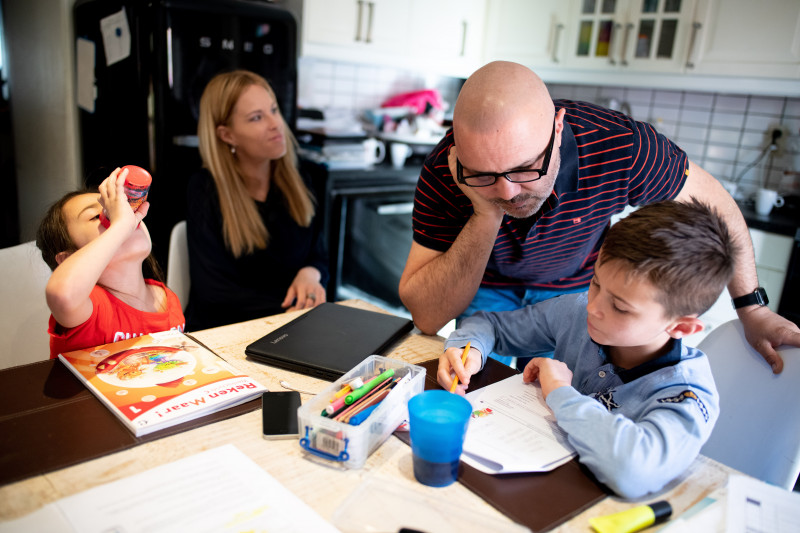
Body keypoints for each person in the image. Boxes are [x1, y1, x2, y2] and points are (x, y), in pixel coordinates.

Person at [399, 60, 800, 373]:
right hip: (484, 287)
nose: (508, 192)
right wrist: (485, 214)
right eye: (484, 175)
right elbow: (428, 317)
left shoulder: (621, 147)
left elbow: (717, 204)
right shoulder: (446, 168)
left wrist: (753, 309)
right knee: (482, 392)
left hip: (578, 295)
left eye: (526, 168)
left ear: (558, 128)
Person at [440, 199, 736, 498]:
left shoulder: (687, 394)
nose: (593, 307)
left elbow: (633, 471)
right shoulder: (578, 312)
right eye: (595, 283)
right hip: (528, 482)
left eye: (620, 306)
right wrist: (470, 348)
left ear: (681, 328)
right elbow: (491, 325)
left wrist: (560, 393)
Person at [185, 70, 329, 330]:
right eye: (256, 118)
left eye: (274, 110)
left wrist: (311, 273)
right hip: (226, 335)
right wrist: (293, 312)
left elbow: (318, 253)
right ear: (227, 135)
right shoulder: (205, 191)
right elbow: (215, 293)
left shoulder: (302, 179)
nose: (276, 123)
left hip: (293, 325)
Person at [36, 168, 185, 359]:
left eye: (122, 208)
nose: (122, 216)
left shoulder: (167, 298)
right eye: (97, 216)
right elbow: (62, 295)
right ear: (67, 259)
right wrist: (120, 226)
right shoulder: (90, 306)